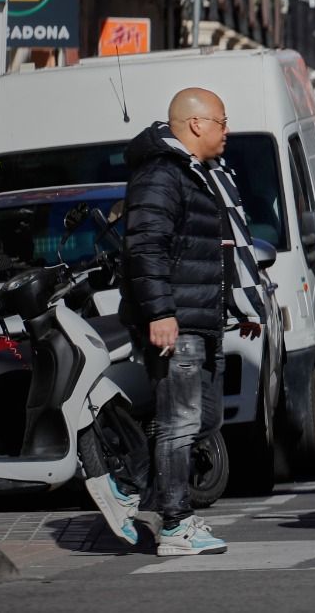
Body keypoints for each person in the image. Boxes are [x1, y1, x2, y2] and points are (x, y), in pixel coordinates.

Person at [121, 88, 264, 557]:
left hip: (203, 318)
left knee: (205, 418)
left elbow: (215, 249)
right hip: (177, 321)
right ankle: (174, 524)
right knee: (179, 423)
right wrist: (160, 312)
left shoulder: (200, 175)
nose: (228, 131)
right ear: (197, 125)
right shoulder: (162, 175)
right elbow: (145, 247)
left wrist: (239, 306)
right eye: (222, 122)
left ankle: (144, 487)